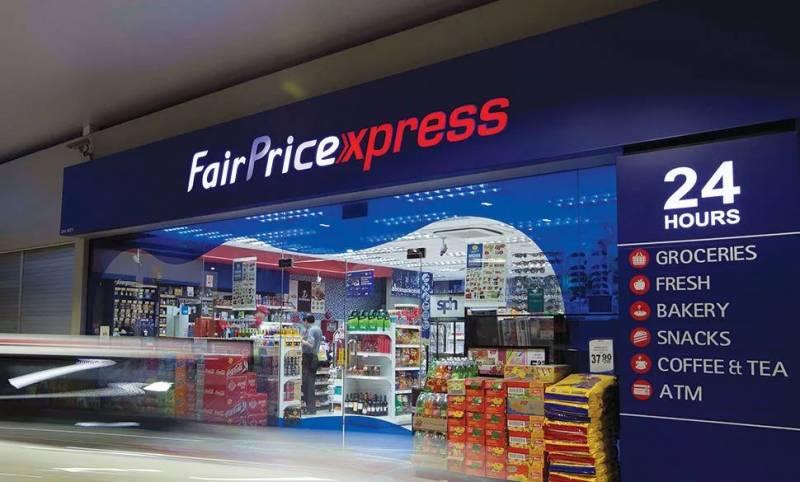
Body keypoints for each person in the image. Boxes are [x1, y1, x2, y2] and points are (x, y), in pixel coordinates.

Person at [301, 314, 323, 415]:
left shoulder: (311, 330)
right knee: (310, 383)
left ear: (306, 321)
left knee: (307, 384)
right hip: (314, 357)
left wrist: (301, 341)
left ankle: (310, 409)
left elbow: (311, 344)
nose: (303, 324)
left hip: (308, 358)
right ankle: (311, 408)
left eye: (303, 322)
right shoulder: (318, 329)